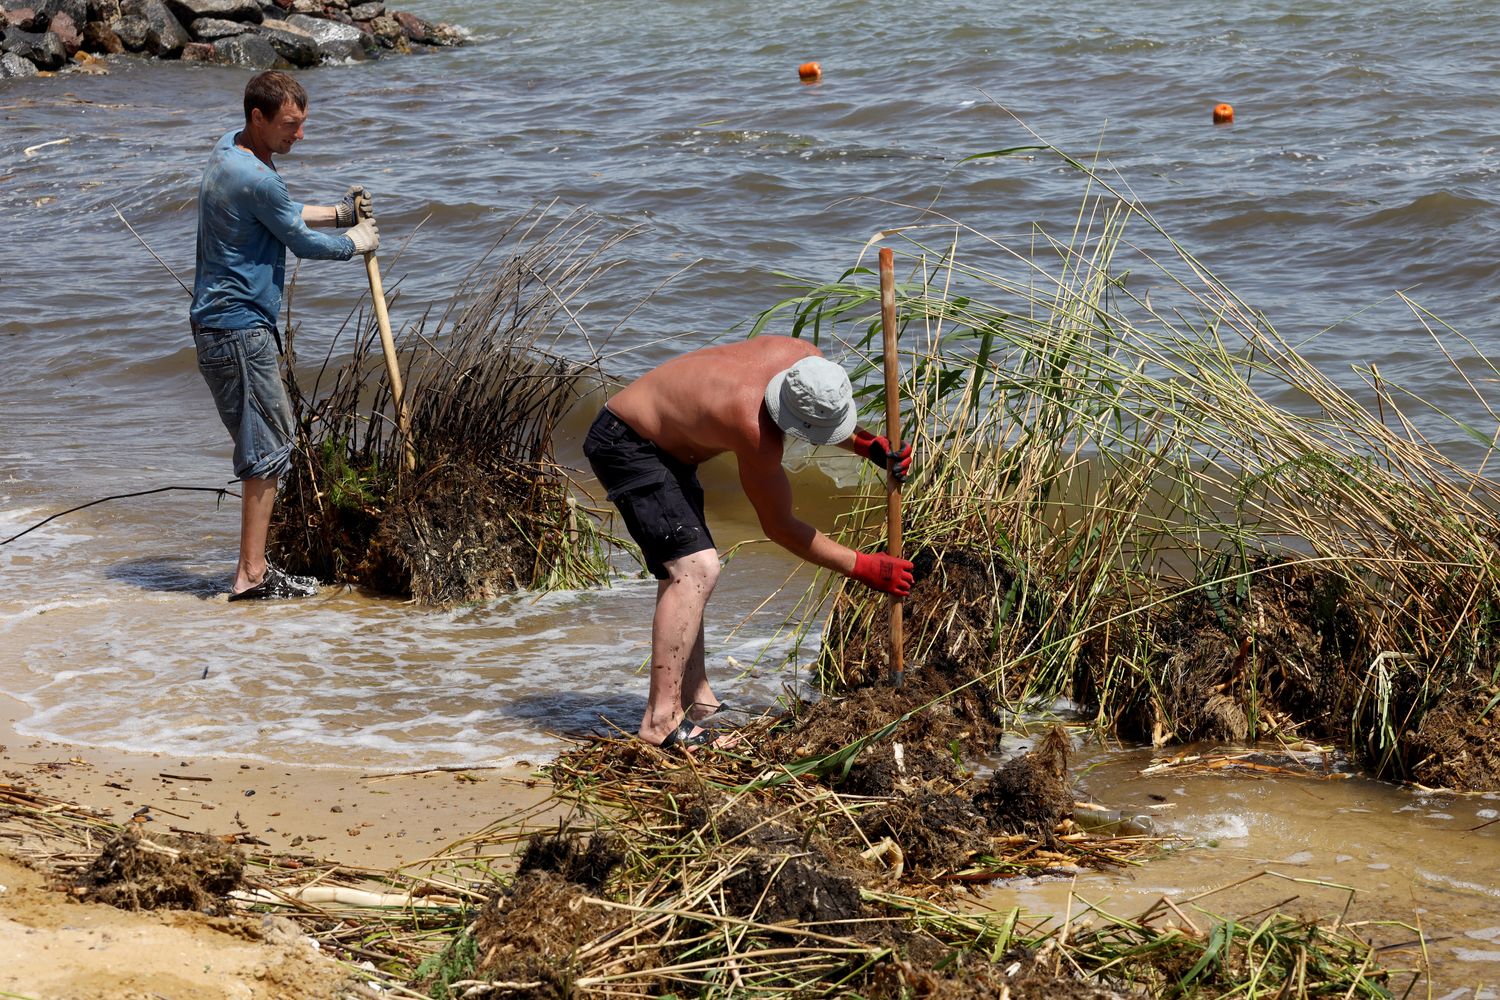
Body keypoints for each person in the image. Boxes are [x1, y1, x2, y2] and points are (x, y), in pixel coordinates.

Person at [584, 336, 916, 748]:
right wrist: (863, 566)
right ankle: (661, 722)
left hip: (668, 444)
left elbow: (810, 413)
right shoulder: (752, 427)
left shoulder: (805, 359)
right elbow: (780, 526)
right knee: (694, 569)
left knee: (687, 568)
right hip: (627, 443)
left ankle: (696, 700)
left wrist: (866, 444)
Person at [190, 71, 380, 601]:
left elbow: (276, 215)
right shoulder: (260, 178)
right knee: (268, 449)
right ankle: (251, 576)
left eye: (302, 124)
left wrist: (336, 213)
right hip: (239, 331)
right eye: (291, 126)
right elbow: (299, 242)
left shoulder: (230, 150)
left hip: (220, 327)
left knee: (264, 445)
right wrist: (354, 241)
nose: (300, 136)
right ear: (259, 117)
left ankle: (253, 569)